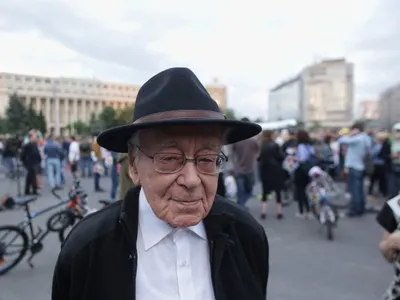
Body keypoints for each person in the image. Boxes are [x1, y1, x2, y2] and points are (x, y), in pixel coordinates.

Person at [52, 67, 269, 300]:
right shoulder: (88, 248)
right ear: (134, 167)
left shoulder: (246, 235)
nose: (192, 180)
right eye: (170, 159)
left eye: (206, 159)